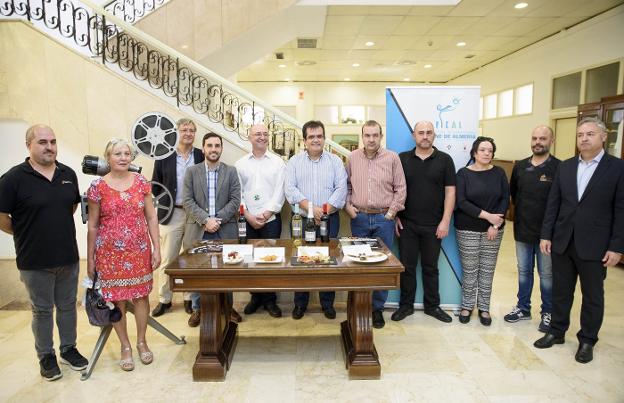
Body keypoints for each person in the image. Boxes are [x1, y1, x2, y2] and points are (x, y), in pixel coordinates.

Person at [0, 124, 88, 381]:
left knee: (68, 306)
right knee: (41, 310)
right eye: (42, 142)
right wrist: (26, 232)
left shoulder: (67, 173)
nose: (49, 147)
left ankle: (68, 349)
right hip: (34, 261)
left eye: (52, 141)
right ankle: (46, 355)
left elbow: (70, 207)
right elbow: (2, 217)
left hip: (67, 257)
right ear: (29, 145)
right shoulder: (13, 179)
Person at [534, 117, 624, 364]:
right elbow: (554, 203)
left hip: (596, 244)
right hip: (563, 240)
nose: (584, 138)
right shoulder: (566, 166)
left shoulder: (617, 168)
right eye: (580, 134)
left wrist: (617, 246)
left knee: (593, 295)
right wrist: (546, 234)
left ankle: (587, 340)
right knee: (561, 291)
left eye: (590, 134)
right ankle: (557, 331)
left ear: (604, 137)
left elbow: (621, 209)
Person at [87, 138, 161, 371]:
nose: (122, 157)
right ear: (108, 158)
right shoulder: (97, 187)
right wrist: (90, 258)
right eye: (117, 154)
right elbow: (93, 225)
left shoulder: (141, 182)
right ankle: (125, 345)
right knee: (116, 299)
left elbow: (151, 217)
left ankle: (141, 341)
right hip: (109, 255)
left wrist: (156, 247)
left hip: (138, 252)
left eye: (127, 153)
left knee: (141, 297)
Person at [391, 121, 456, 324]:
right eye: (421, 133)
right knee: (407, 267)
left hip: (434, 225)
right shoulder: (402, 159)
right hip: (406, 223)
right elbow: (394, 189)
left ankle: (432, 306)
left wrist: (445, 221)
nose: (425, 136)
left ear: (434, 135)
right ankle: (405, 306)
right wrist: (395, 216)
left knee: (431, 267)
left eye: (429, 133)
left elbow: (450, 191)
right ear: (414, 135)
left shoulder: (445, 160)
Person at [345, 120, 406, 329]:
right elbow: (346, 185)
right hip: (359, 218)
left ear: (381, 136)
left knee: (381, 265)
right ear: (362, 137)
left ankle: (377, 309)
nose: (371, 139)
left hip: (384, 219)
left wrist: (390, 214)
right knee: (360, 262)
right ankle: (361, 305)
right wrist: (347, 206)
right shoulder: (352, 157)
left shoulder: (392, 158)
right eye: (367, 135)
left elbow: (401, 188)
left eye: (375, 135)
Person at [285, 120, 347, 320]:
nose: (316, 140)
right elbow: (290, 190)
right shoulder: (294, 162)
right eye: (311, 137)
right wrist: (312, 209)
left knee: (328, 261)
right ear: (304, 141)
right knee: (300, 260)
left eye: (319, 136)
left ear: (324, 138)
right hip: (302, 220)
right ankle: (300, 304)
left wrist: (324, 211)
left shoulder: (335, 161)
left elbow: (341, 189)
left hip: (330, 219)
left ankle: (327, 304)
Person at [504, 126, 560, 332]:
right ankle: (523, 308)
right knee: (524, 271)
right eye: (535, 138)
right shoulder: (520, 167)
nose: (538, 141)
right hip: (523, 231)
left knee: (546, 274)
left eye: (543, 138)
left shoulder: (559, 168)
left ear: (551, 141)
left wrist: (551, 233)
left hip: (547, 235)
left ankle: (548, 312)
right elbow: (514, 195)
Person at [183, 132, 242, 327]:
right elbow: (188, 201)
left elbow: (235, 200)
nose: (214, 149)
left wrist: (217, 220)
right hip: (199, 229)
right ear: (204, 148)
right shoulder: (192, 172)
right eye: (210, 146)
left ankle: (228, 307)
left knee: (228, 270)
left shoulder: (231, 171)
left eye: (217, 146)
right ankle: (199, 309)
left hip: (225, 229)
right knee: (198, 270)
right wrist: (205, 220)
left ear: (221, 149)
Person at [151, 118, 204, 317]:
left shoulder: (200, 155)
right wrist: (168, 202)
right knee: (168, 258)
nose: (188, 133)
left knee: (191, 258)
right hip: (172, 213)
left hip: (195, 214)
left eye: (192, 130)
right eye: (184, 130)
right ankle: (164, 299)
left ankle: (190, 298)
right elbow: (156, 185)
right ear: (177, 132)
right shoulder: (164, 155)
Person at [455, 136, 509, 326]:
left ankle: (484, 308)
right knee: (470, 270)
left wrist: (495, 225)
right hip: (467, 229)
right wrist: (488, 217)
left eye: (490, 150)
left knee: (487, 270)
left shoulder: (499, 173)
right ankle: (467, 306)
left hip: (493, 230)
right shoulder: (463, 174)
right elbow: (461, 202)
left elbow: (505, 199)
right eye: (483, 150)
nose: (487, 153)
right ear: (474, 153)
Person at [236, 123, 285, 318]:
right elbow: (237, 193)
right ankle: (255, 298)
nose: (262, 137)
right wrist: (247, 215)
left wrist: (266, 214)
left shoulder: (278, 162)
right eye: (258, 134)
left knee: (270, 260)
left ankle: (270, 300)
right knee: (250, 260)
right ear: (249, 137)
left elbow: (280, 191)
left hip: (271, 219)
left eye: (265, 134)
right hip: (246, 220)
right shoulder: (240, 164)